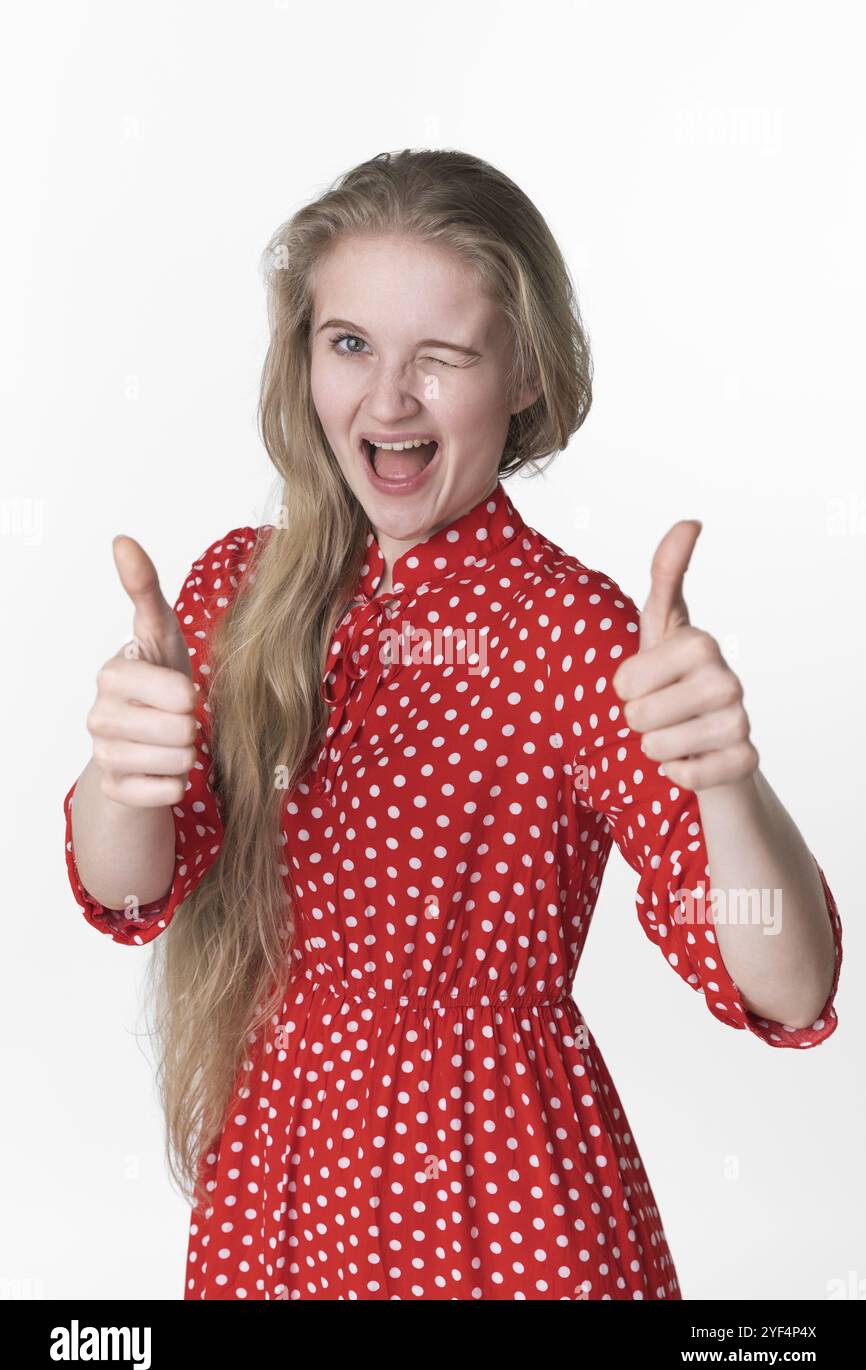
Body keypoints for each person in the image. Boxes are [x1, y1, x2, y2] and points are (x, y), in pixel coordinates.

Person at [63, 148, 843, 1301]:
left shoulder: (572, 632)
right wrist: (120, 777)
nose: (387, 399)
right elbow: (129, 893)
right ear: (305, 357)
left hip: (501, 1196)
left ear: (522, 372)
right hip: (281, 1183)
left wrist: (728, 784)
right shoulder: (235, 590)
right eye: (350, 346)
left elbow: (786, 984)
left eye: (440, 357)